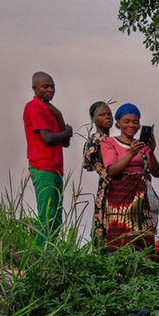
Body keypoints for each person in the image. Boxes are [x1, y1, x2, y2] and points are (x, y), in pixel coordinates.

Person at [100, 103, 159, 251]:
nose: (131, 125)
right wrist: (131, 153)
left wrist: (151, 152)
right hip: (120, 199)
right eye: (126, 121)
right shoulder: (109, 142)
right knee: (120, 239)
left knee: (143, 239)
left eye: (135, 122)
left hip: (141, 199)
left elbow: (157, 172)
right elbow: (112, 171)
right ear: (118, 123)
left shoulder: (142, 145)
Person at [23, 71, 73, 243]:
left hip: (56, 168)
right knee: (47, 214)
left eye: (52, 86)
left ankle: (48, 252)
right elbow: (47, 138)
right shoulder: (34, 107)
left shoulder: (50, 110)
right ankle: (36, 256)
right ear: (34, 88)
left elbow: (65, 143)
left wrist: (59, 115)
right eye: (46, 86)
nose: (51, 89)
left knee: (56, 218)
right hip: (42, 166)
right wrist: (66, 131)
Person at [81, 102, 112, 247]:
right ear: (93, 119)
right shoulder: (98, 139)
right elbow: (109, 164)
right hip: (109, 185)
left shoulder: (108, 139)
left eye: (109, 114)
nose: (107, 117)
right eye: (102, 115)